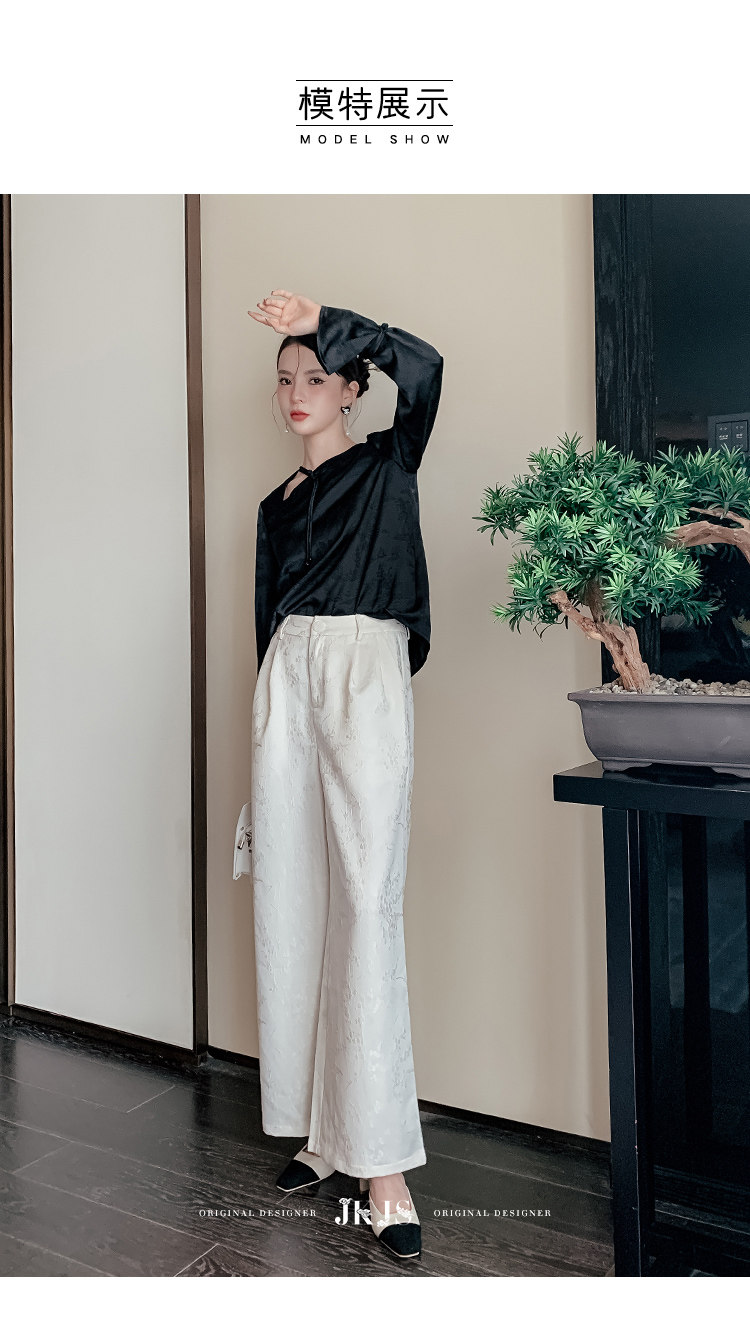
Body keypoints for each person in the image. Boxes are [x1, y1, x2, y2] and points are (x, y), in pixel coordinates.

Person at [236, 289, 443, 1262]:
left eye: (316, 376)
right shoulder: (273, 507)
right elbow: (268, 626)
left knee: (366, 899)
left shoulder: (388, 465)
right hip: (288, 678)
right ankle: (323, 1132)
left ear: (353, 387)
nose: (296, 393)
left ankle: (384, 1166)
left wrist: (327, 314)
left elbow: (427, 369)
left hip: (364, 669)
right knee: (292, 894)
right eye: (284, 378)